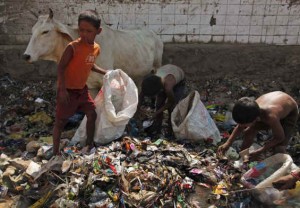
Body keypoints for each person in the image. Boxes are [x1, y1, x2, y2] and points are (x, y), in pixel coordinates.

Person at [53, 10, 107, 155]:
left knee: (92, 114)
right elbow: (61, 68)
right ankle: (55, 153)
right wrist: (62, 89)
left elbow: (89, 64)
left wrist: (105, 72)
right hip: (67, 91)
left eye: (89, 31)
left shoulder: (96, 49)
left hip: (81, 90)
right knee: (60, 122)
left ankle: (89, 145)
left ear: (98, 31)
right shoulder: (73, 47)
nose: (84, 34)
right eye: (81, 30)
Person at [217, 91, 298, 161]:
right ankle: (244, 157)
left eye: (245, 124)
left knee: (279, 148)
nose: (242, 126)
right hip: (274, 102)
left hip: (290, 111)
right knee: (249, 131)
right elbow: (240, 126)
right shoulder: (250, 110)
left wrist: (260, 150)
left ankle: (284, 168)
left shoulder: (270, 116)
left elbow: (279, 137)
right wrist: (227, 143)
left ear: (256, 119)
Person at [138, 64, 185, 136]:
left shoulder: (168, 87)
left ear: (160, 90)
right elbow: (142, 94)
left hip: (179, 83)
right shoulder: (150, 81)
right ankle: (157, 129)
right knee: (158, 105)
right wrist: (139, 108)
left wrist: (156, 113)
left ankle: (171, 131)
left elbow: (170, 102)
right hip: (167, 71)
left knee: (172, 109)